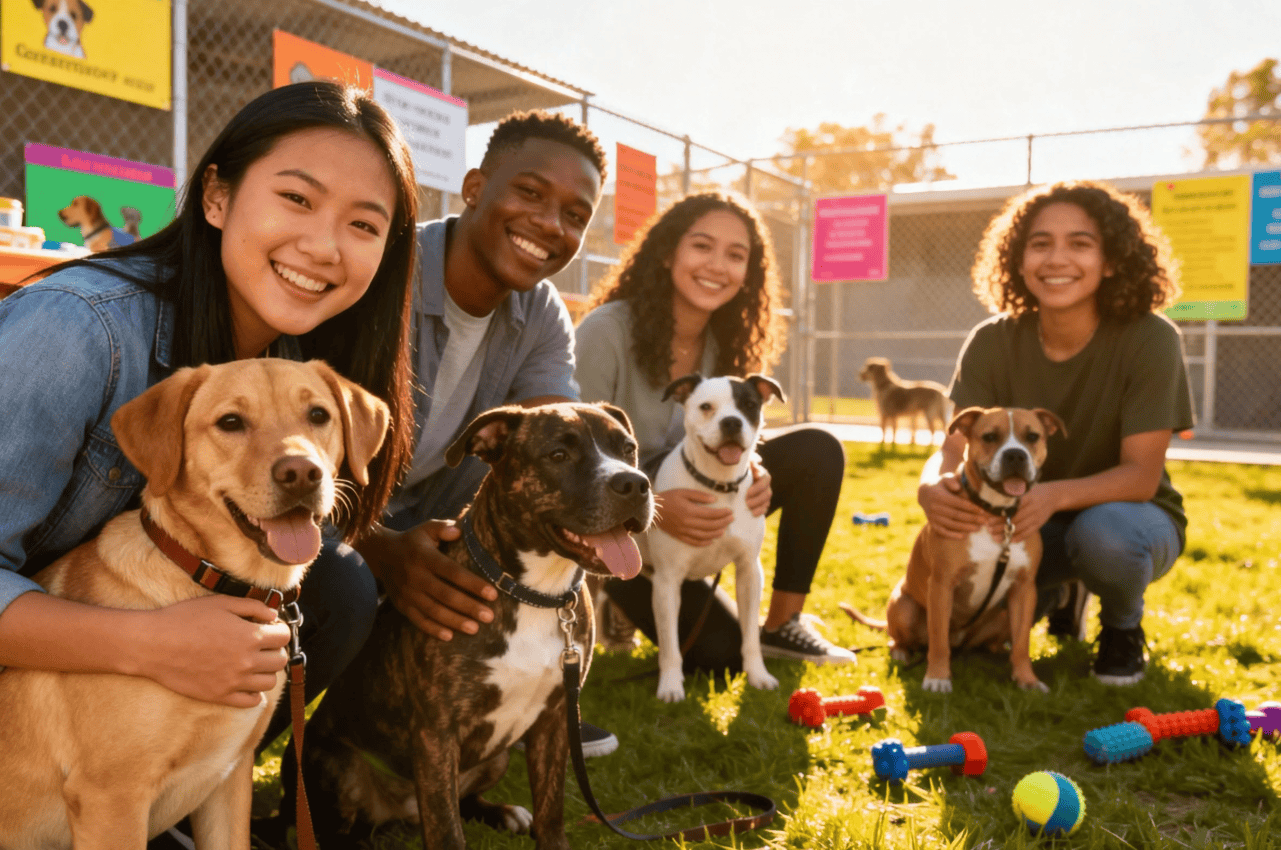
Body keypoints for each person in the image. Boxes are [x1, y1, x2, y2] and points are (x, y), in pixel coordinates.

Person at [0, 81, 420, 844]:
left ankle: (166, 782)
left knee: (337, 580)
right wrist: (148, 646)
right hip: (34, 699)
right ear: (217, 197)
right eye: (297, 199)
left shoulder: (288, 364)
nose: (324, 245)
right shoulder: (75, 331)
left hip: (124, 662)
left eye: (363, 224)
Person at [347, 109, 622, 757]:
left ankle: (523, 697)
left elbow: (559, 447)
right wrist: (377, 547)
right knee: (344, 586)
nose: (550, 225)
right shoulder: (385, 271)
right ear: (474, 187)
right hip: (336, 516)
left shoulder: (540, 312)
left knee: (535, 530)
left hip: (441, 527)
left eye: (575, 215)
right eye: (529, 193)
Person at [919, 179, 1192, 686]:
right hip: (1020, 515)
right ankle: (1063, 596)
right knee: (998, 596)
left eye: (1080, 243)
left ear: (1111, 260)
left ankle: (1121, 628)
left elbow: (1140, 477)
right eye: (1040, 243)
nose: (1056, 258)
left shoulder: (1152, 338)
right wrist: (931, 484)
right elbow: (953, 447)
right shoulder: (991, 340)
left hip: (1125, 517)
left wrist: (1050, 496)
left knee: (1106, 539)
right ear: (1019, 261)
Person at [574, 190, 855, 676]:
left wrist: (757, 468)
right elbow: (578, 458)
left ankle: (783, 624)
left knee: (818, 450)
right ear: (667, 253)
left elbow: (735, 429)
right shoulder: (606, 331)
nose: (718, 266)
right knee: (717, 656)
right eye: (702, 246)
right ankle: (620, 593)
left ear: (750, 272)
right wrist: (656, 509)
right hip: (618, 522)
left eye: (736, 255)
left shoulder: (730, 340)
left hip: (701, 494)